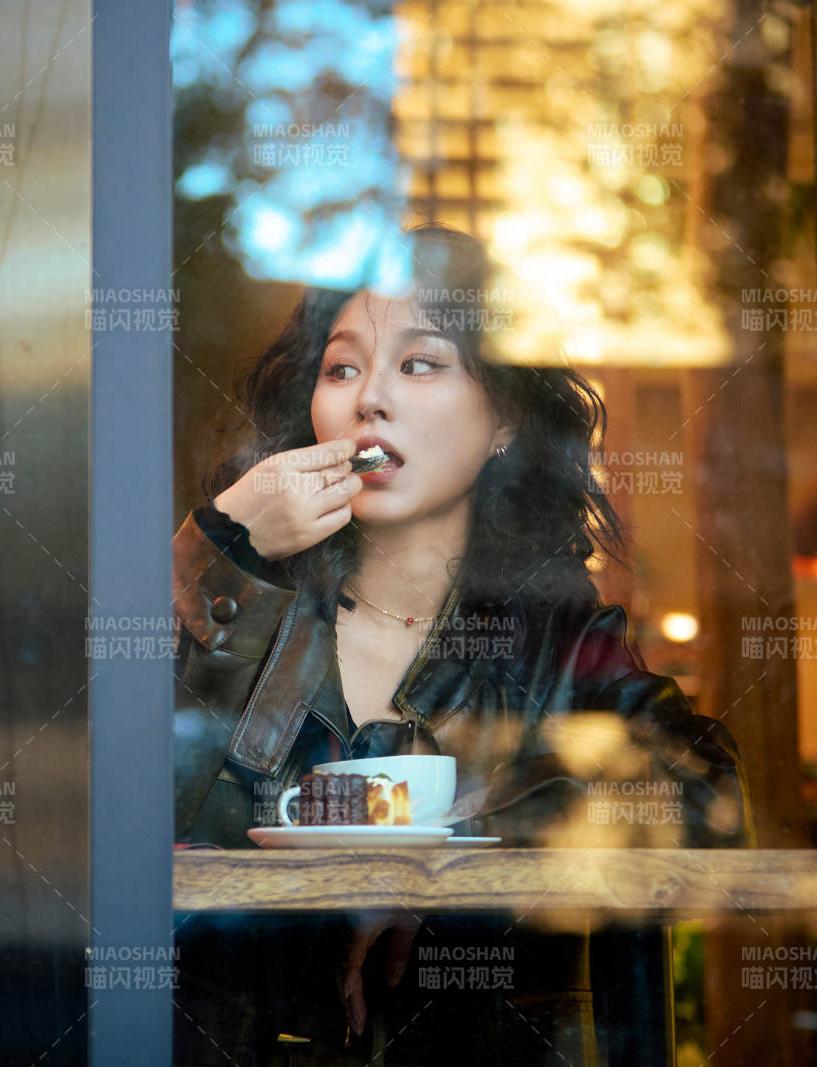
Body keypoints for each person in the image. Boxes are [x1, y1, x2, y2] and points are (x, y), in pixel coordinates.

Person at [171, 224, 754, 1065]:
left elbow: (709, 798)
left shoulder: (554, 645)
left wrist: (448, 870)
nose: (370, 397)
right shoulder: (241, 607)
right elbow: (100, 816)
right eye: (342, 367)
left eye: (420, 363)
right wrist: (222, 544)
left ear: (504, 421)